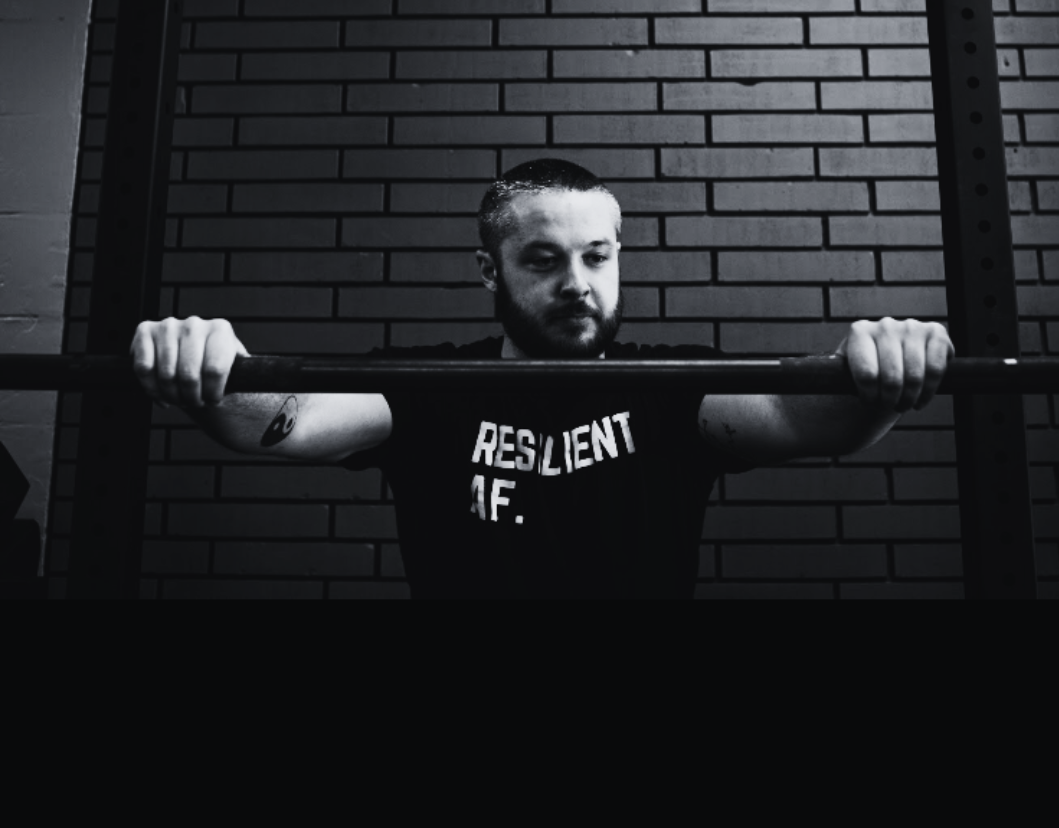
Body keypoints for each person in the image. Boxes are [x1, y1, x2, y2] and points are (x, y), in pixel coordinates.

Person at [131, 159, 954, 599]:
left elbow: (818, 421)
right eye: (544, 259)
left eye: (597, 257)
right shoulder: (430, 390)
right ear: (490, 272)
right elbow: (279, 420)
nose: (577, 284)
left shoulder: (677, 390)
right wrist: (205, 361)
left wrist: (885, 370)